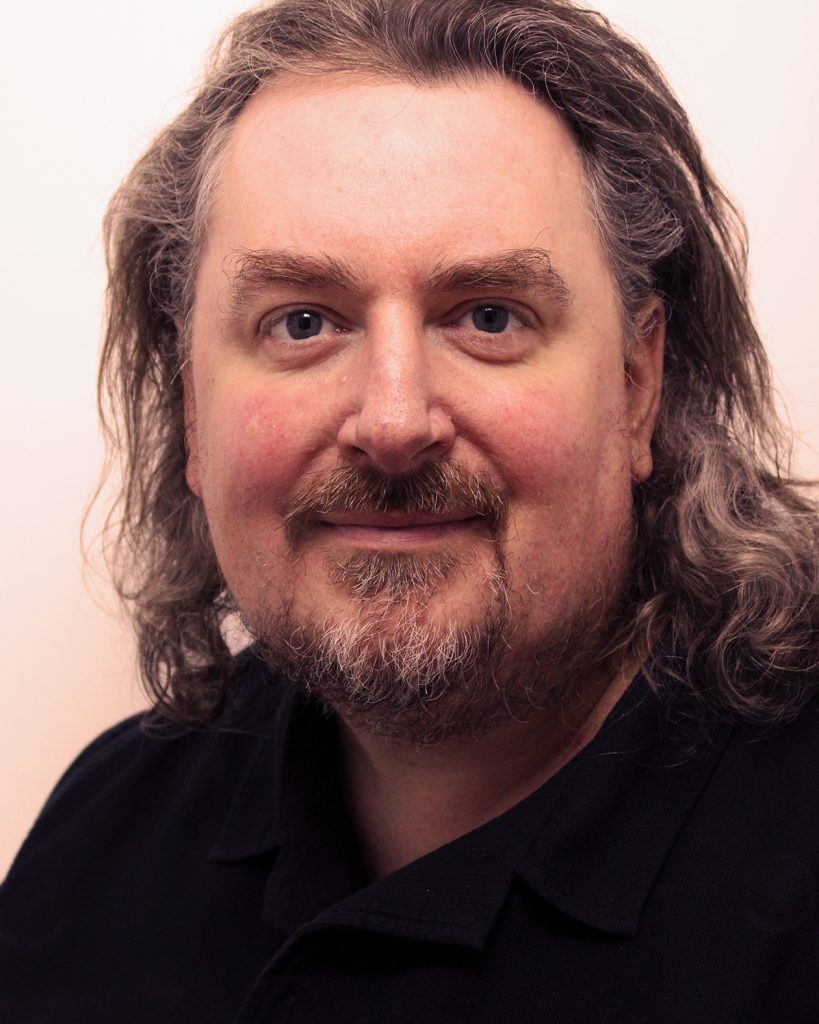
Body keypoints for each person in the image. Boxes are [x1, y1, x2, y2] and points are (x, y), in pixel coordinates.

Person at [2, 0, 818, 1020]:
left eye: (489, 317)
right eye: (302, 322)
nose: (393, 420)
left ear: (637, 383)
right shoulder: (101, 845)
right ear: (188, 404)